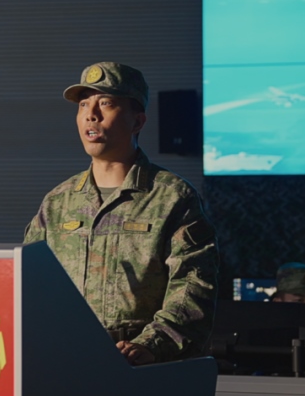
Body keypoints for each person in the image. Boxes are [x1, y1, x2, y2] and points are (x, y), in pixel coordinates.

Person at [23, 62, 219, 365]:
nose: (91, 114)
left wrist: (151, 345)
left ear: (137, 121)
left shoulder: (172, 197)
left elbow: (193, 285)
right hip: (64, 359)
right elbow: (30, 283)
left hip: (142, 364)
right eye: (83, 105)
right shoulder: (58, 202)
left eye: (106, 103)